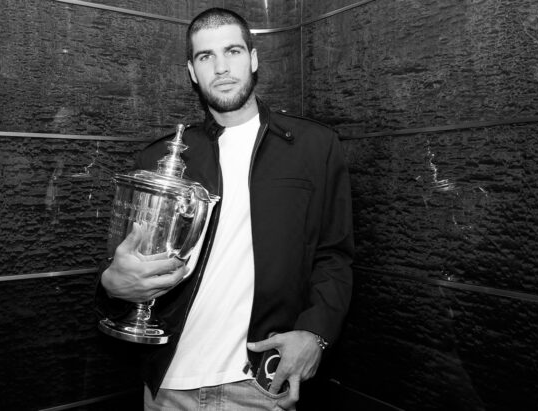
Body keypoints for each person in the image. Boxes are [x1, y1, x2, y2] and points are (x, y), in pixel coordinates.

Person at [96, 7, 353, 410]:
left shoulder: (313, 147)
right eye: (205, 56)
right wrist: (111, 286)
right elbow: (126, 269)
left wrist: (315, 334)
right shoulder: (159, 159)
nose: (221, 67)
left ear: (252, 59)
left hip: (259, 383)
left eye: (232, 51)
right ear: (192, 72)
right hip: (167, 381)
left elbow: (334, 255)